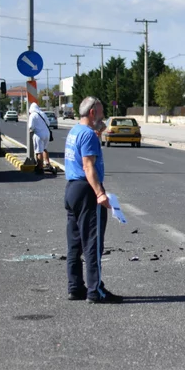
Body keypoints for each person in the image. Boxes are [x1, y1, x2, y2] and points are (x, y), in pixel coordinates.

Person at [64, 96, 122, 303]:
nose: (104, 114)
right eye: (101, 110)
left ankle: (75, 287)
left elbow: (85, 148)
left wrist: (98, 130)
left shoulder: (75, 131)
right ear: (92, 113)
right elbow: (88, 167)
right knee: (92, 244)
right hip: (87, 191)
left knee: (75, 244)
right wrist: (100, 193)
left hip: (72, 189)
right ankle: (95, 291)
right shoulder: (88, 135)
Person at [28, 102, 53, 175]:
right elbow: (48, 123)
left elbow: (30, 127)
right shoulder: (42, 113)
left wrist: (32, 130)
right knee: (44, 149)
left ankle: (40, 168)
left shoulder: (32, 115)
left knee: (39, 152)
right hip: (47, 134)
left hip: (39, 135)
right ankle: (47, 164)